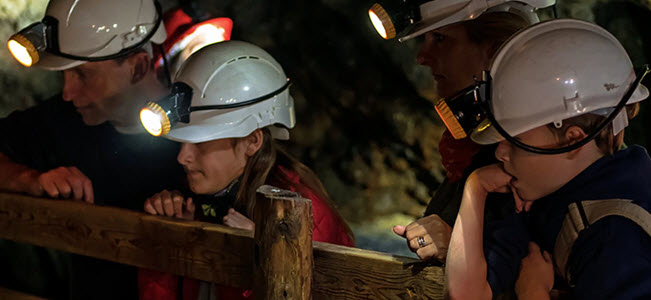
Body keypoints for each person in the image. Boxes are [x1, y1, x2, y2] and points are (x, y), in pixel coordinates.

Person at [443, 19, 651, 299]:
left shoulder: (616, 234)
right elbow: (466, 294)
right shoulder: (545, 199)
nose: (499, 152)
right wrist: (475, 188)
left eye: (514, 142)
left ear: (572, 141)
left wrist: (533, 293)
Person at [137, 40, 355, 300]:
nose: (183, 157)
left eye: (201, 143)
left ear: (252, 141)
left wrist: (267, 256)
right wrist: (173, 241)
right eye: (182, 142)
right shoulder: (193, 200)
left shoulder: (307, 219)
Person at [0, 0, 186, 298]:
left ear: (138, 67)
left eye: (83, 75)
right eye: (64, 74)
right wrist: (28, 180)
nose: (68, 92)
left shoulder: (202, 138)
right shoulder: (66, 118)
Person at [380, 0, 553, 262]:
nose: (421, 57)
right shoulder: (473, 148)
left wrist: (460, 244)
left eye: (439, 38)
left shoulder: (534, 162)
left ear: (497, 50)